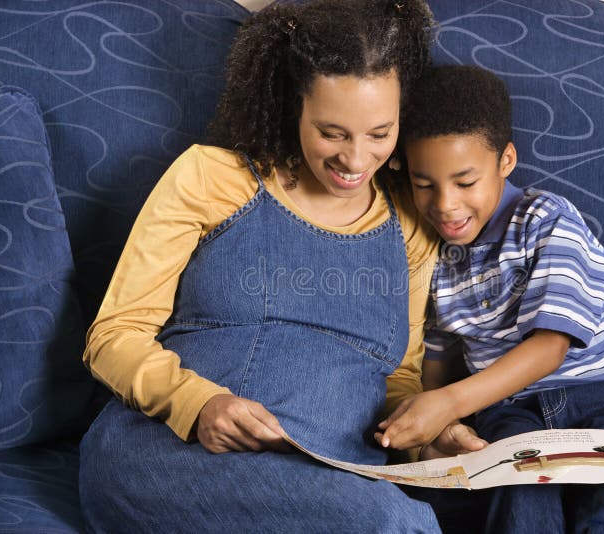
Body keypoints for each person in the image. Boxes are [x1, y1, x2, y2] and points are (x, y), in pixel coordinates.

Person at [78, 2, 468, 531]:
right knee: (393, 524)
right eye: (332, 132)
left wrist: (426, 433)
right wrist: (198, 404)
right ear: (293, 107)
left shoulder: (409, 226)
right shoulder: (212, 178)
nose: (355, 160)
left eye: (379, 134)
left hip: (327, 483)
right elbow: (114, 334)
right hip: (168, 458)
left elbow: (397, 376)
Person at [376, 64, 604, 532]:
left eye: (464, 181)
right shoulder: (438, 255)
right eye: (424, 185)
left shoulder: (546, 218)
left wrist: (450, 403)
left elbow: (550, 346)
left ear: (506, 161)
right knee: (519, 509)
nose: (445, 205)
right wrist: (433, 418)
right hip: (512, 412)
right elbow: (438, 355)